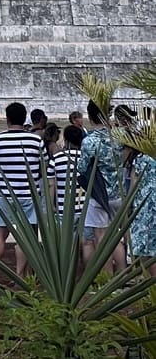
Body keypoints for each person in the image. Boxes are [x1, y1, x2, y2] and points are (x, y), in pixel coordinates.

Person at [0, 100, 44, 279]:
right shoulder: (36, 140)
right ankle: (21, 275)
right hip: (28, 194)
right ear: (24, 118)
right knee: (26, 237)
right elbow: (43, 167)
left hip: (5, 193)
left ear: (8, 119)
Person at [77, 100, 126, 272]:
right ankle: (122, 274)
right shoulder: (119, 137)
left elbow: (81, 169)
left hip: (99, 195)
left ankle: (108, 279)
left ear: (90, 117)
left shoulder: (89, 142)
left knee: (101, 237)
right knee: (116, 237)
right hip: (119, 193)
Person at [122, 140, 156, 276]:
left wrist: (128, 203)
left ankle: (149, 282)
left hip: (144, 207)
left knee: (144, 247)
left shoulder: (141, 159)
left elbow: (134, 183)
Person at [48, 122, 85, 232]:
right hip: (84, 207)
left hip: (63, 208)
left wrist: (51, 205)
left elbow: (51, 184)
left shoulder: (56, 159)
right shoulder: (85, 158)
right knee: (85, 242)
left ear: (66, 139)